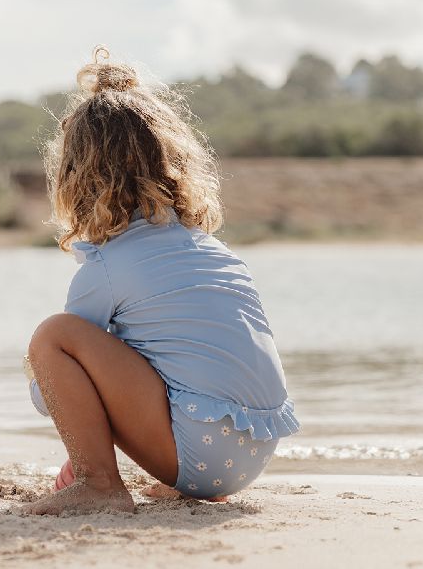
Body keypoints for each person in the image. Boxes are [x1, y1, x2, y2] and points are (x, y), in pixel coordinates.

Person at [24, 47, 299, 516]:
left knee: (53, 338)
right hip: (255, 452)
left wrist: (61, 404)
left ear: (77, 177)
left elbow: (51, 394)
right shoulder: (213, 250)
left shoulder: (105, 267)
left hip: (200, 451)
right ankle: (183, 479)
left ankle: (98, 483)